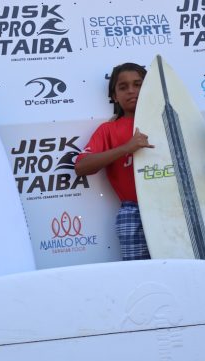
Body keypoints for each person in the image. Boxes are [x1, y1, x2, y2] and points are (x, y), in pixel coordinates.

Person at [74, 62, 154, 261]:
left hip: (175, 208)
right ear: (114, 96)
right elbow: (81, 166)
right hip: (133, 212)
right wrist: (126, 148)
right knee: (141, 278)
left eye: (138, 84)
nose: (132, 91)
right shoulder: (108, 130)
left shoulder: (170, 120)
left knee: (183, 273)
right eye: (123, 87)